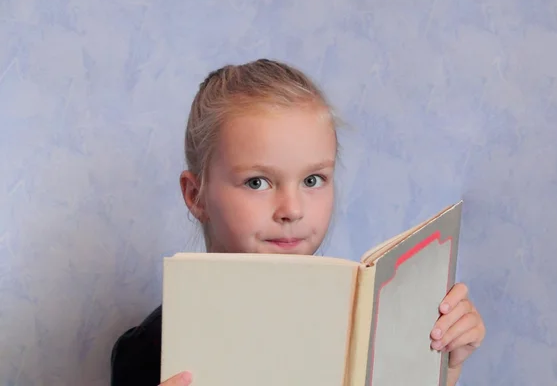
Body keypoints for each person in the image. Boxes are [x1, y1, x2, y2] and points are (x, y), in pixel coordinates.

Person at [110, 59, 486, 386]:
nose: (291, 209)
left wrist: (441, 369)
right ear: (196, 196)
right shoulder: (149, 351)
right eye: (257, 182)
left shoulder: (362, 327)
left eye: (312, 180)